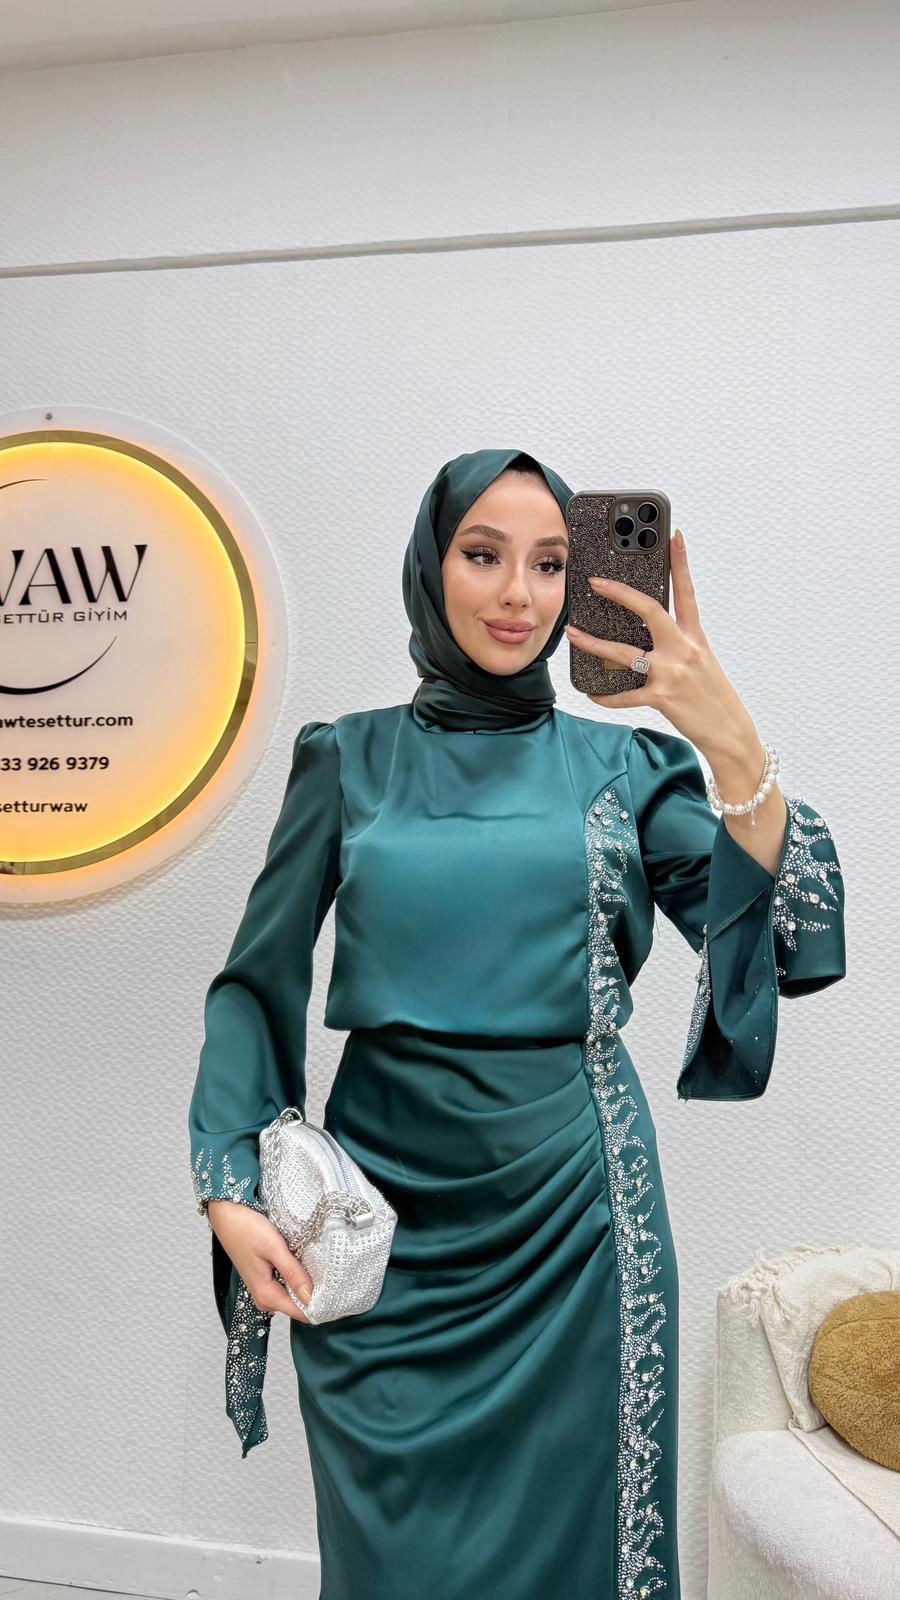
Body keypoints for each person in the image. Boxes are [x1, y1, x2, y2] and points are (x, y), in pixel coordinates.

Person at [188, 448, 846, 1600]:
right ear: (430, 564)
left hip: (572, 1231)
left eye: (550, 564)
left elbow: (784, 940)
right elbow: (257, 982)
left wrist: (726, 733)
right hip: (382, 1233)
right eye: (483, 554)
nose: (517, 594)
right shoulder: (346, 759)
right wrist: (230, 1185)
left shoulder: (627, 766)